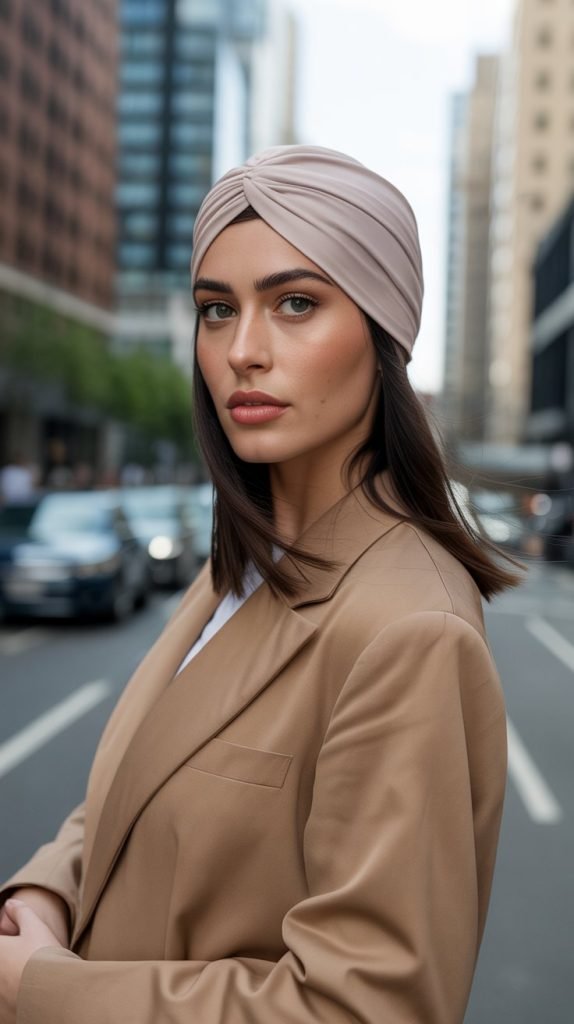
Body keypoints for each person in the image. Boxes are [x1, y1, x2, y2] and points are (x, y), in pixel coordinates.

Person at [0, 145, 526, 1024]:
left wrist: (41, 989)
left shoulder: (409, 629)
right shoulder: (241, 566)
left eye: (295, 304)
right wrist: (48, 894)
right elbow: (133, 798)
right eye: (216, 310)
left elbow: (362, 1008)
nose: (243, 350)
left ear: (383, 329)